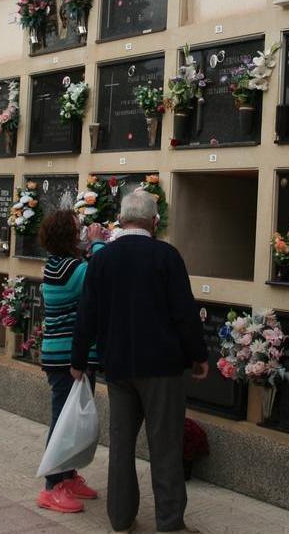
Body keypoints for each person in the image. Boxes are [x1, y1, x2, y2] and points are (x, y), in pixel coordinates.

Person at [72, 190, 208, 533]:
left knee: (121, 445)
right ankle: (170, 522)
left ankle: (120, 517)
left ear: (120, 220)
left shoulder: (102, 259)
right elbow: (184, 313)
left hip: (118, 367)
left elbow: (87, 313)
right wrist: (198, 355)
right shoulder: (166, 256)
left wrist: (78, 360)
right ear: (155, 221)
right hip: (162, 368)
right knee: (165, 446)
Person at [35, 211, 107, 514]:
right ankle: (52, 487)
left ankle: (69, 475)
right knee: (64, 422)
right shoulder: (72, 269)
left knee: (73, 419)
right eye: (78, 230)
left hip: (68, 356)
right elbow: (102, 276)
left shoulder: (57, 265)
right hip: (67, 360)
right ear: (68, 236)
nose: (82, 234)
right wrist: (98, 243)